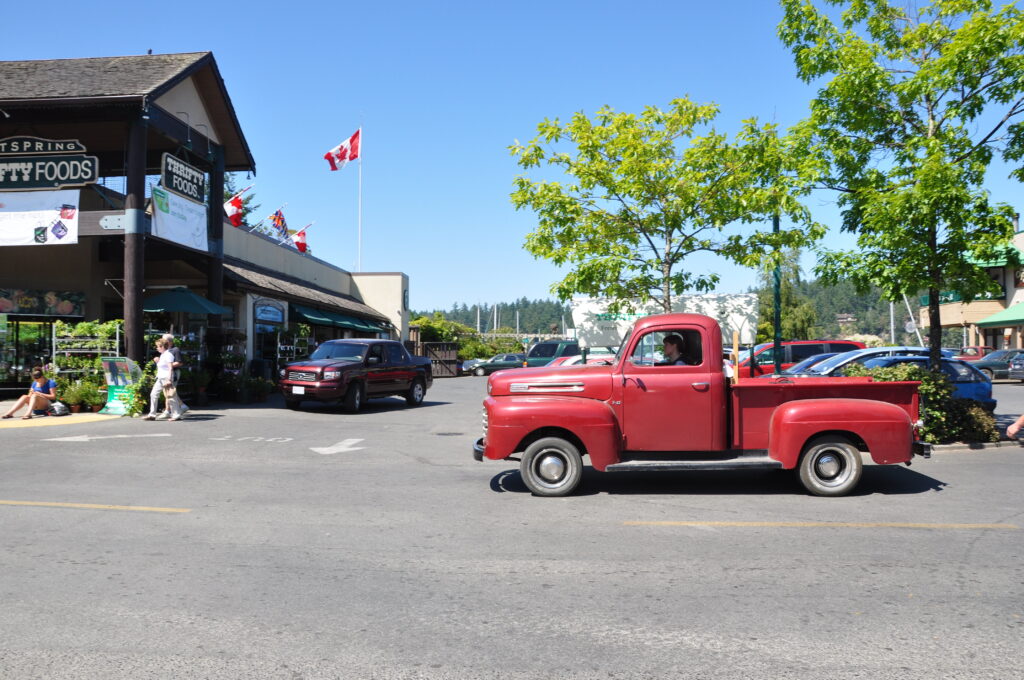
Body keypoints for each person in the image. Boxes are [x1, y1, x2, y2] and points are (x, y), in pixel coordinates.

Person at [143, 338, 183, 421]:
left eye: (158, 346)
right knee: (153, 394)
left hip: (166, 378)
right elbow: (163, 367)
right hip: (160, 378)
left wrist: (169, 379)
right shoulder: (163, 355)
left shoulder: (168, 355)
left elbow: (170, 368)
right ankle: (152, 414)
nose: (157, 348)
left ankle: (176, 415)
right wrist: (158, 362)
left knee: (171, 396)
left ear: (162, 346)